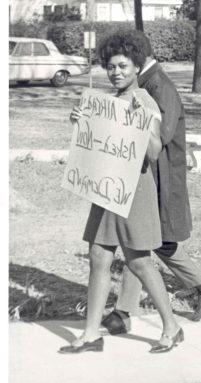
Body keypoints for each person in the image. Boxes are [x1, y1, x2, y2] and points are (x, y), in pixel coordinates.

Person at [59, 33, 182, 354]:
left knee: (139, 260)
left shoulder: (145, 101)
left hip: (134, 190)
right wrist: (80, 123)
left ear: (137, 66)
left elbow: (154, 152)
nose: (116, 72)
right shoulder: (105, 102)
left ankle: (172, 326)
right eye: (111, 67)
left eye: (123, 66)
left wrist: (142, 122)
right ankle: (90, 334)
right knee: (98, 257)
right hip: (106, 188)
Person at [100, 30, 201, 336]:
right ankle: (125, 311)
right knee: (139, 242)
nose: (119, 68)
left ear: (137, 59)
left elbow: (160, 138)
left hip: (161, 178)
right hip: (147, 176)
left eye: (126, 61)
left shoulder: (158, 86)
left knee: (146, 242)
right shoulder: (145, 82)